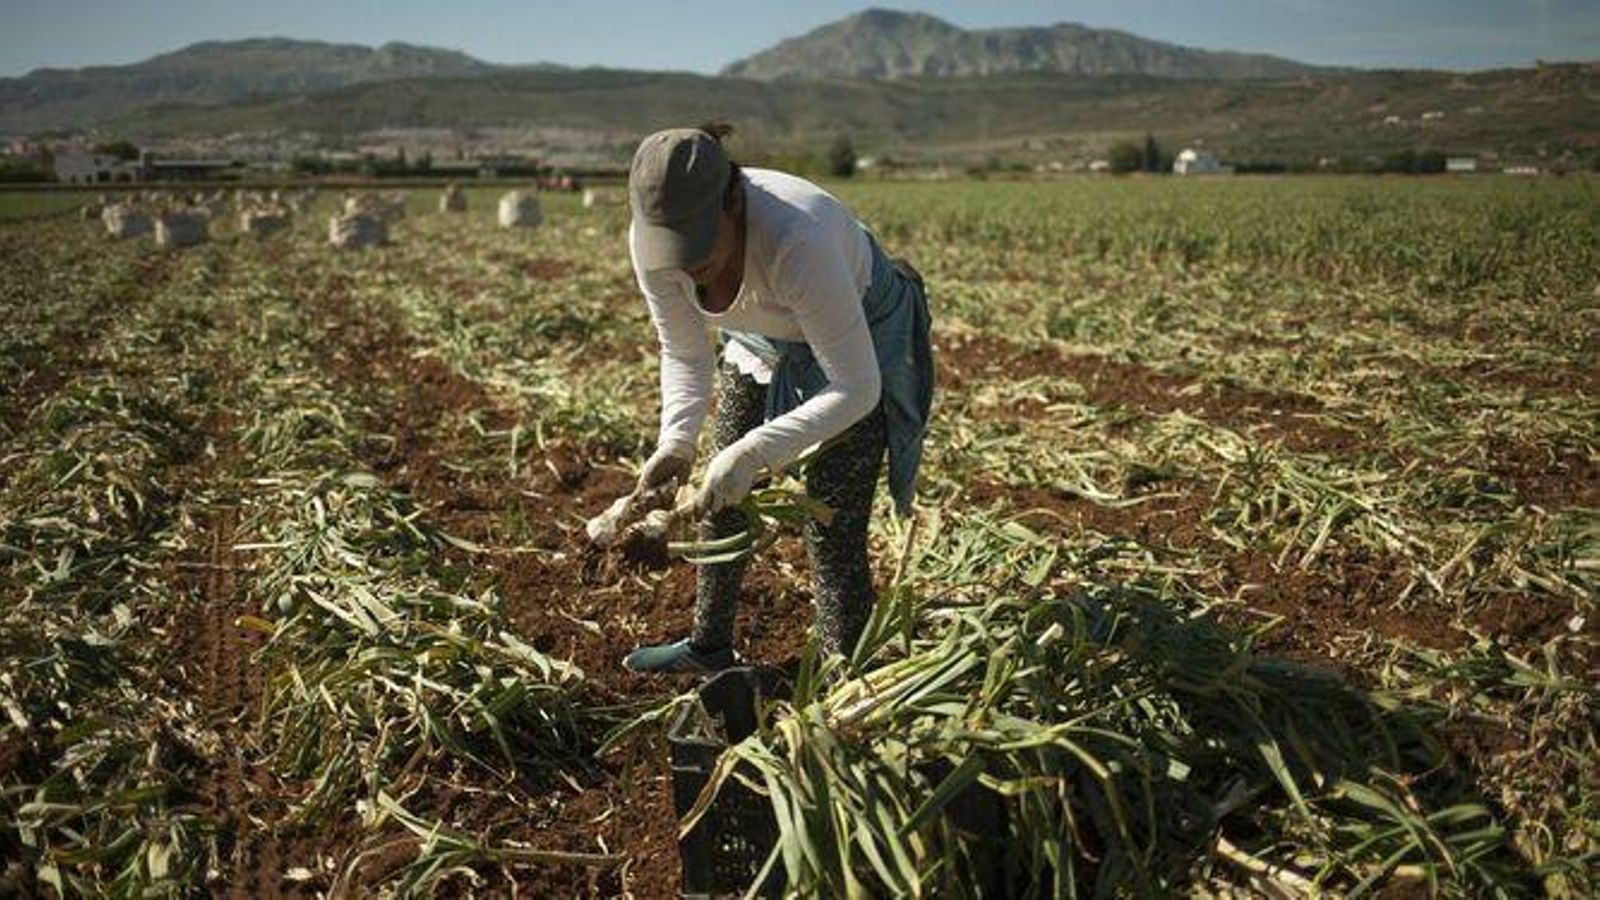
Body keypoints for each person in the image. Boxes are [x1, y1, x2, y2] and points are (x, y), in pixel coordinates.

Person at [618, 124, 933, 674]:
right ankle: (708, 647)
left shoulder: (797, 238)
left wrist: (756, 452)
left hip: (859, 341)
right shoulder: (653, 246)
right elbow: (685, 353)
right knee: (720, 502)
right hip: (763, 340)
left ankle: (845, 678)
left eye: (696, 243)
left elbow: (856, 387)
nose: (687, 266)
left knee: (830, 524)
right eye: (673, 248)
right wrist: (677, 441)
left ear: (733, 204)